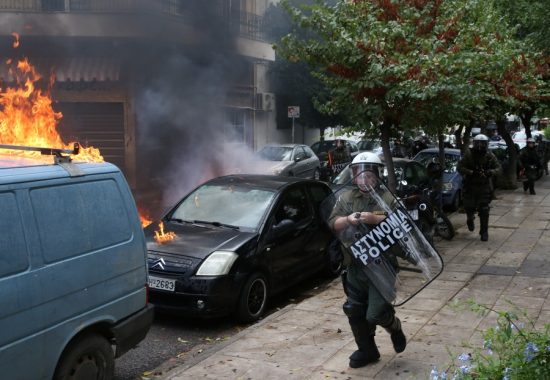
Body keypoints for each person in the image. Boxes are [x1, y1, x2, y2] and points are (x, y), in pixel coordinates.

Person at [328, 152, 406, 368]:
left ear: (377, 174)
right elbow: (333, 223)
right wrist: (347, 219)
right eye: (358, 173)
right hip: (355, 265)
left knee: (376, 313)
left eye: (368, 174)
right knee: (354, 309)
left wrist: (375, 219)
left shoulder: (388, 198)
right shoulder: (346, 198)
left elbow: (403, 224)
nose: (363, 178)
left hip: (382, 266)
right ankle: (367, 350)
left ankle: (395, 327)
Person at [457, 134, 501, 241]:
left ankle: (484, 232)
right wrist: (471, 172)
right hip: (470, 186)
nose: (480, 146)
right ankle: (470, 219)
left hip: (483, 186)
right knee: (469, 207)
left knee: (484, 210)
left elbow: (498, 168)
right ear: (474, 143)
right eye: (478, 143)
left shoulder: (489, 155)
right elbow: (460, 167)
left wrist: (489, 172)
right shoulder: (469, 154)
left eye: (483, 143)